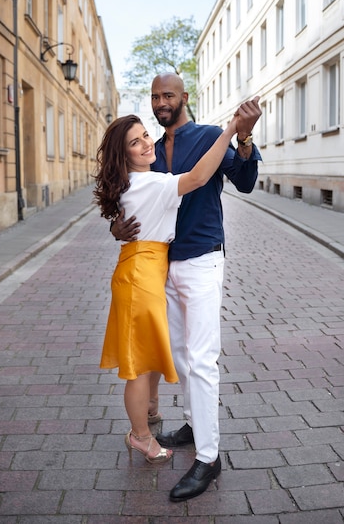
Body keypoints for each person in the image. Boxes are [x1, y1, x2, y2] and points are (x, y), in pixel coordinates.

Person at [112, 73, 262, 500]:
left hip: (200, 260)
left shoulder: (210, 136)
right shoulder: (150, 151)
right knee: (180, 354)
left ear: (184, 98)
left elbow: (246, 181)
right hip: (163, 266)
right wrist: (116, 228)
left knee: (200, 358)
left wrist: (244, 140)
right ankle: (196, 426)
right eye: (156, 96)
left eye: (168, 95)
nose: (161, 102)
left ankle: (209, 457)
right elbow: (135, 202)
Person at [93, 110, 240, 465]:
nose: (146, 143)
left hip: (143, 268)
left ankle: (151, 417)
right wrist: (231, 130)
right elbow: (201, 176)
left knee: (150, 353)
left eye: (146, 135)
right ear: (123, 154)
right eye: (135, 141)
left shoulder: (138, 181)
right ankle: (141, 436)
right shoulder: (149, 183)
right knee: (139, 365)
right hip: (142, 275)